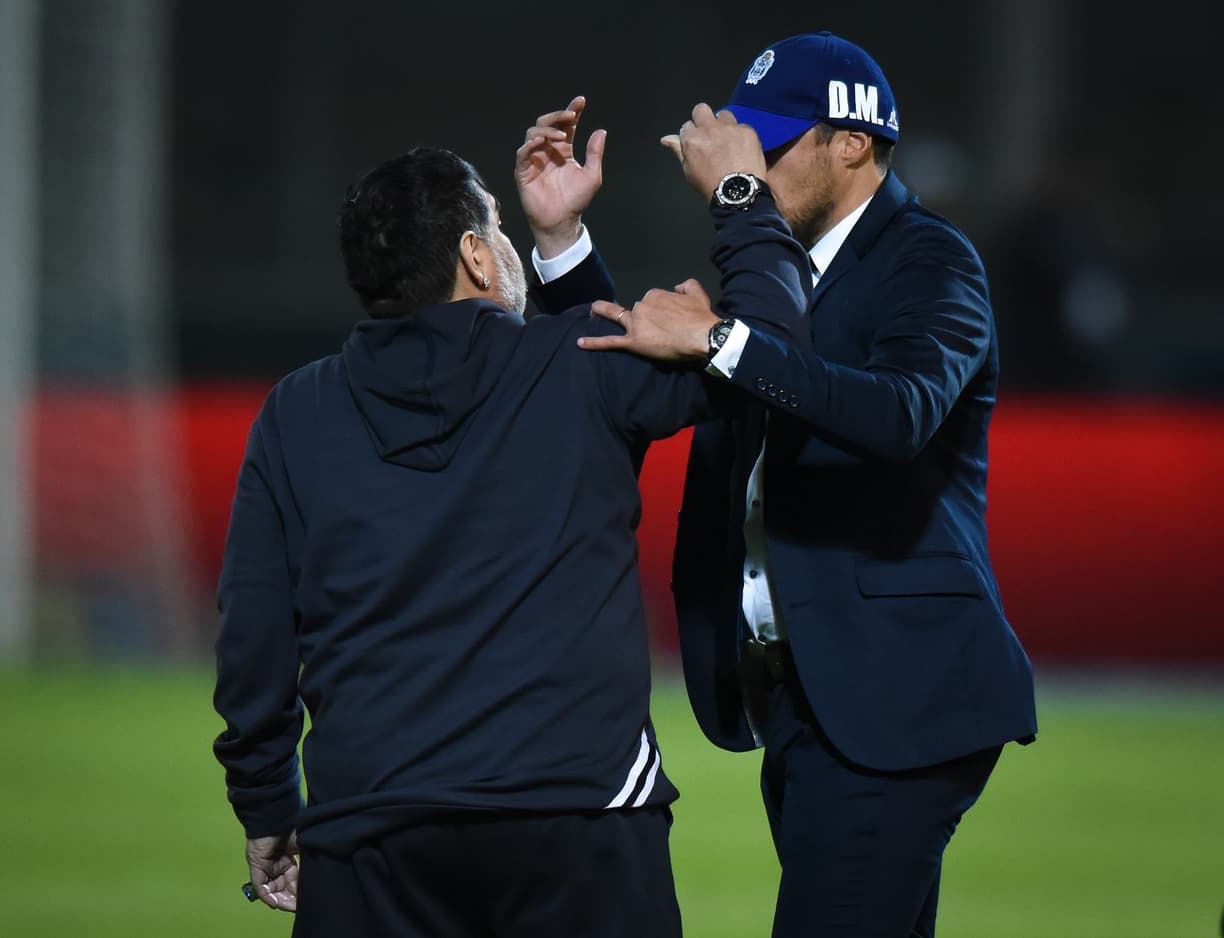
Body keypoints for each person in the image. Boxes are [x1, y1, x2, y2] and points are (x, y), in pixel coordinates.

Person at [211, 141, 809, 936]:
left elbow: (254, 633)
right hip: (579, 818)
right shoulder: (578, 368)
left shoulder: (296, 412)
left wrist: (265, 802)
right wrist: (739, 193)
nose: (501, 234)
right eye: (493, 221)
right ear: (474, 255)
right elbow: (773, 352)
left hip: (371, 832)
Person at [522, 31, 1037, 938]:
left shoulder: (930, 260)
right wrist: (564, 242)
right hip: (812, 696)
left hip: (896, 698)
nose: (751, 165)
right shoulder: (781, 273)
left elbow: (898, 415)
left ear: (854, 142)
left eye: (772, 143)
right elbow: (643, 367)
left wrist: (725, 338)